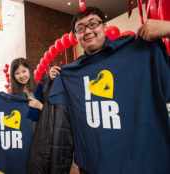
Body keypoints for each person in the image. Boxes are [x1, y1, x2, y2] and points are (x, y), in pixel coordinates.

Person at [48, 7, 170, 174]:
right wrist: (74, 159)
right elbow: (63, 123)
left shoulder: (140, 51)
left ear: (104, 27)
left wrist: (168, 29)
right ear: (75, 37)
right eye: (80, 28)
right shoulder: (69, 75)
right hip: (95, 166)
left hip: (145, 163)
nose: (88, 31)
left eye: (93, 24)